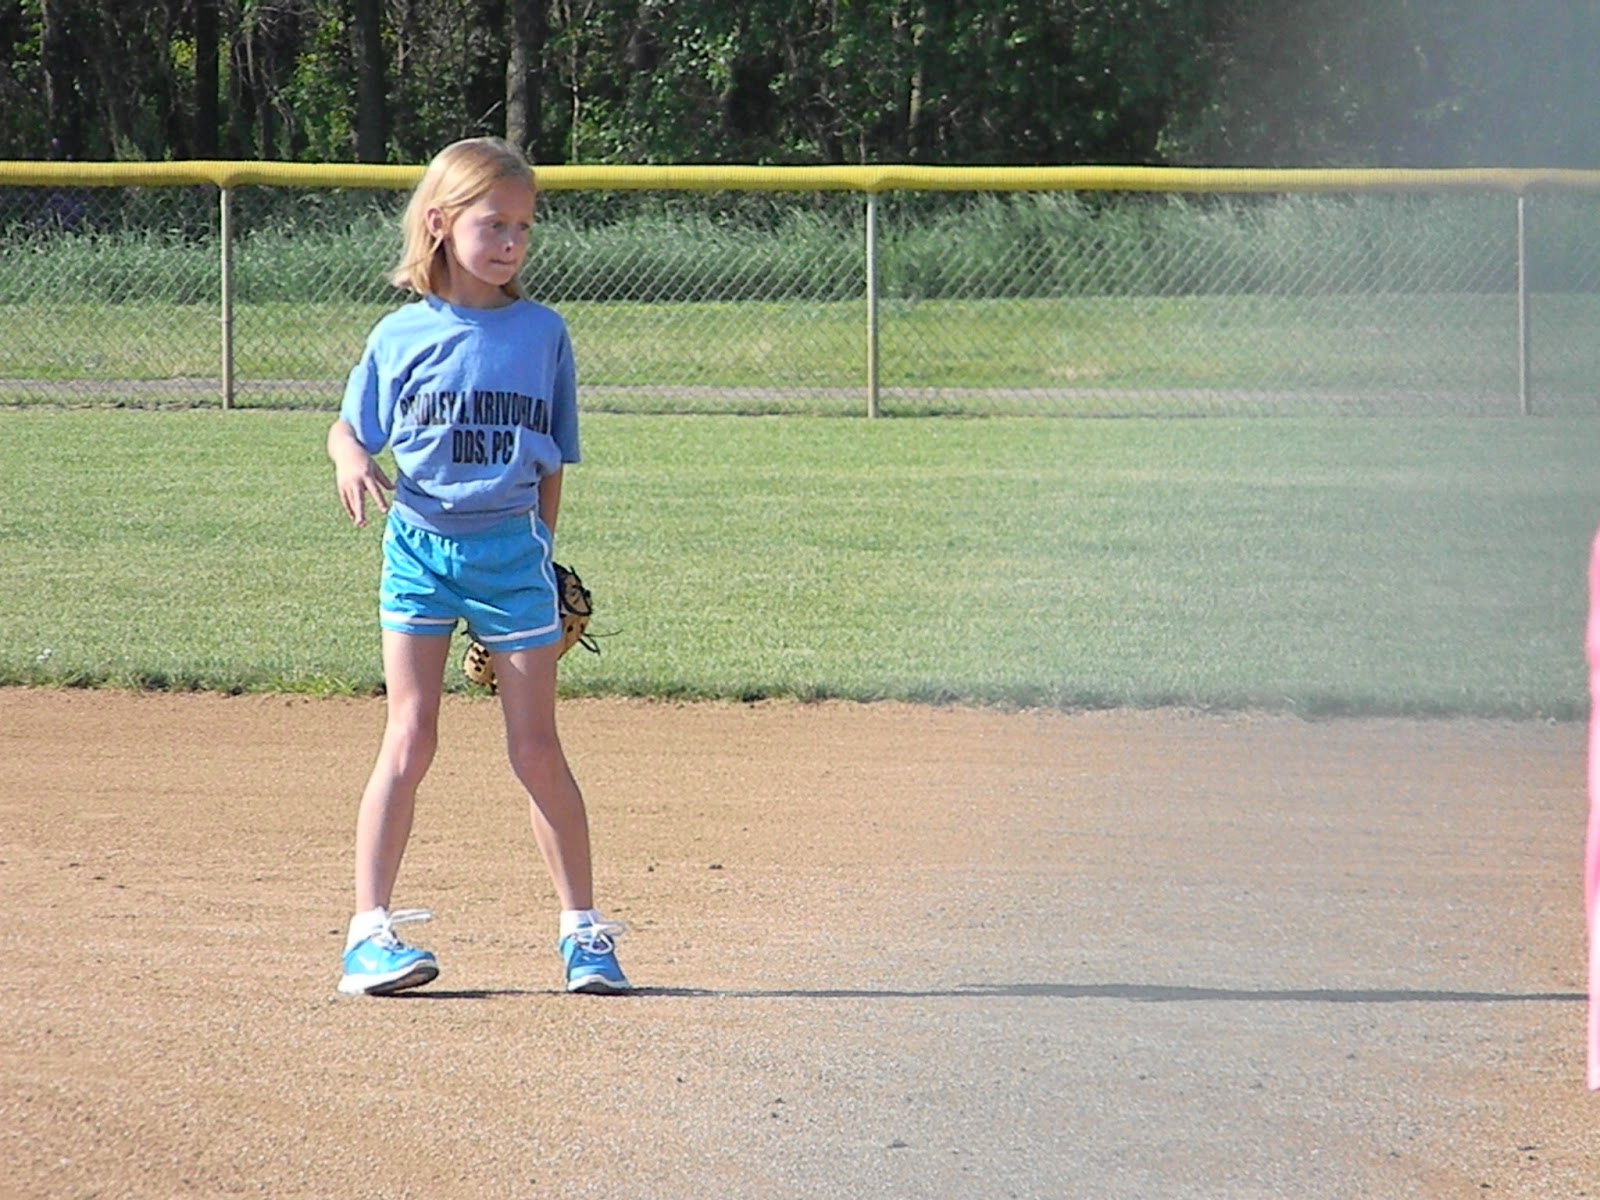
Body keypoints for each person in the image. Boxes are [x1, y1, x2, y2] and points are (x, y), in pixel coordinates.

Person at [326, 137, 629, 997]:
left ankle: (583, 935)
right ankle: (369, 935)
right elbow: (350, 427)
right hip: (418, 550)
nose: (510, 243)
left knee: (536, 748)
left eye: (523, 227)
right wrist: (350, 458)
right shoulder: (401, 333)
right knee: (410, 735)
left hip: (511, 558)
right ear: (439, 223)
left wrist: (543, 559)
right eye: (493, 223)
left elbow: (552, 461)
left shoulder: (543, 334)